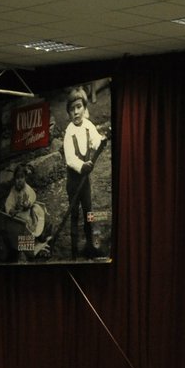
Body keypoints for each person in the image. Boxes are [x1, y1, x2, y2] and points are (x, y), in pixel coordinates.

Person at [61, 87, 104, 257]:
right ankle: (73, 250)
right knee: (74, 214)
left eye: (79, 107)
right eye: (72, 109)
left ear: (84, 108)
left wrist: (101, 141)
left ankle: (90, 245)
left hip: (85, 183)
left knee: (89, 212)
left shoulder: (88, 126)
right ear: (69, 113)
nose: (76, 112)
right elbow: (70, 159)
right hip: (73, 182)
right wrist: (81, 166)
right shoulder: (68, 133)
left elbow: (95, 141)